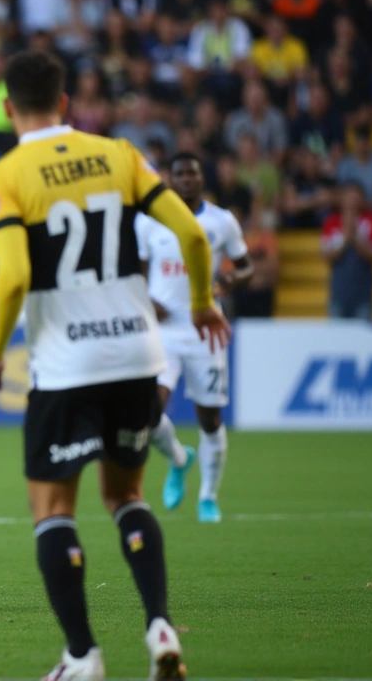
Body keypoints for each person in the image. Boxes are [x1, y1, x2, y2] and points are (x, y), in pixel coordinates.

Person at [0, 51, 229, 680]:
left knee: (54, 509)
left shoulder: (5, 174)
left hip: (67, 364)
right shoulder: (121, 156)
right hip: (139, 354)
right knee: (126, 497)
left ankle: (83, 655)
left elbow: (12, 277)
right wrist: (201, 302)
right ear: (65, 102)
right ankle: (160, 626)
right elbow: (194, 237)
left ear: (9, 107)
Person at [136, 152, 252, 523]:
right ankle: (180, 460)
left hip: (206, 331)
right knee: (148, 412)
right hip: (163, 333)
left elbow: (246, 265)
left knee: (210, 419)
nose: (186, 179)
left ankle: (208, 497)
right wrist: (147, 300)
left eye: (192, 173)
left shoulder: (222, 222)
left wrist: (235, 278)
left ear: (202, 179)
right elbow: (134, 272)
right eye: (180, 173)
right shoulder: (149, 220)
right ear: (170, 178)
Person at [321, 182, 372, 320]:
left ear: (363, 199)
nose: (352, 200)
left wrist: (355, 237)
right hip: (338, 294)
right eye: (349, 196)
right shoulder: (331, 222)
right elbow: (327, 255)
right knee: (337, 339)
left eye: (356, 196)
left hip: (363, 296)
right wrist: (344, 240)